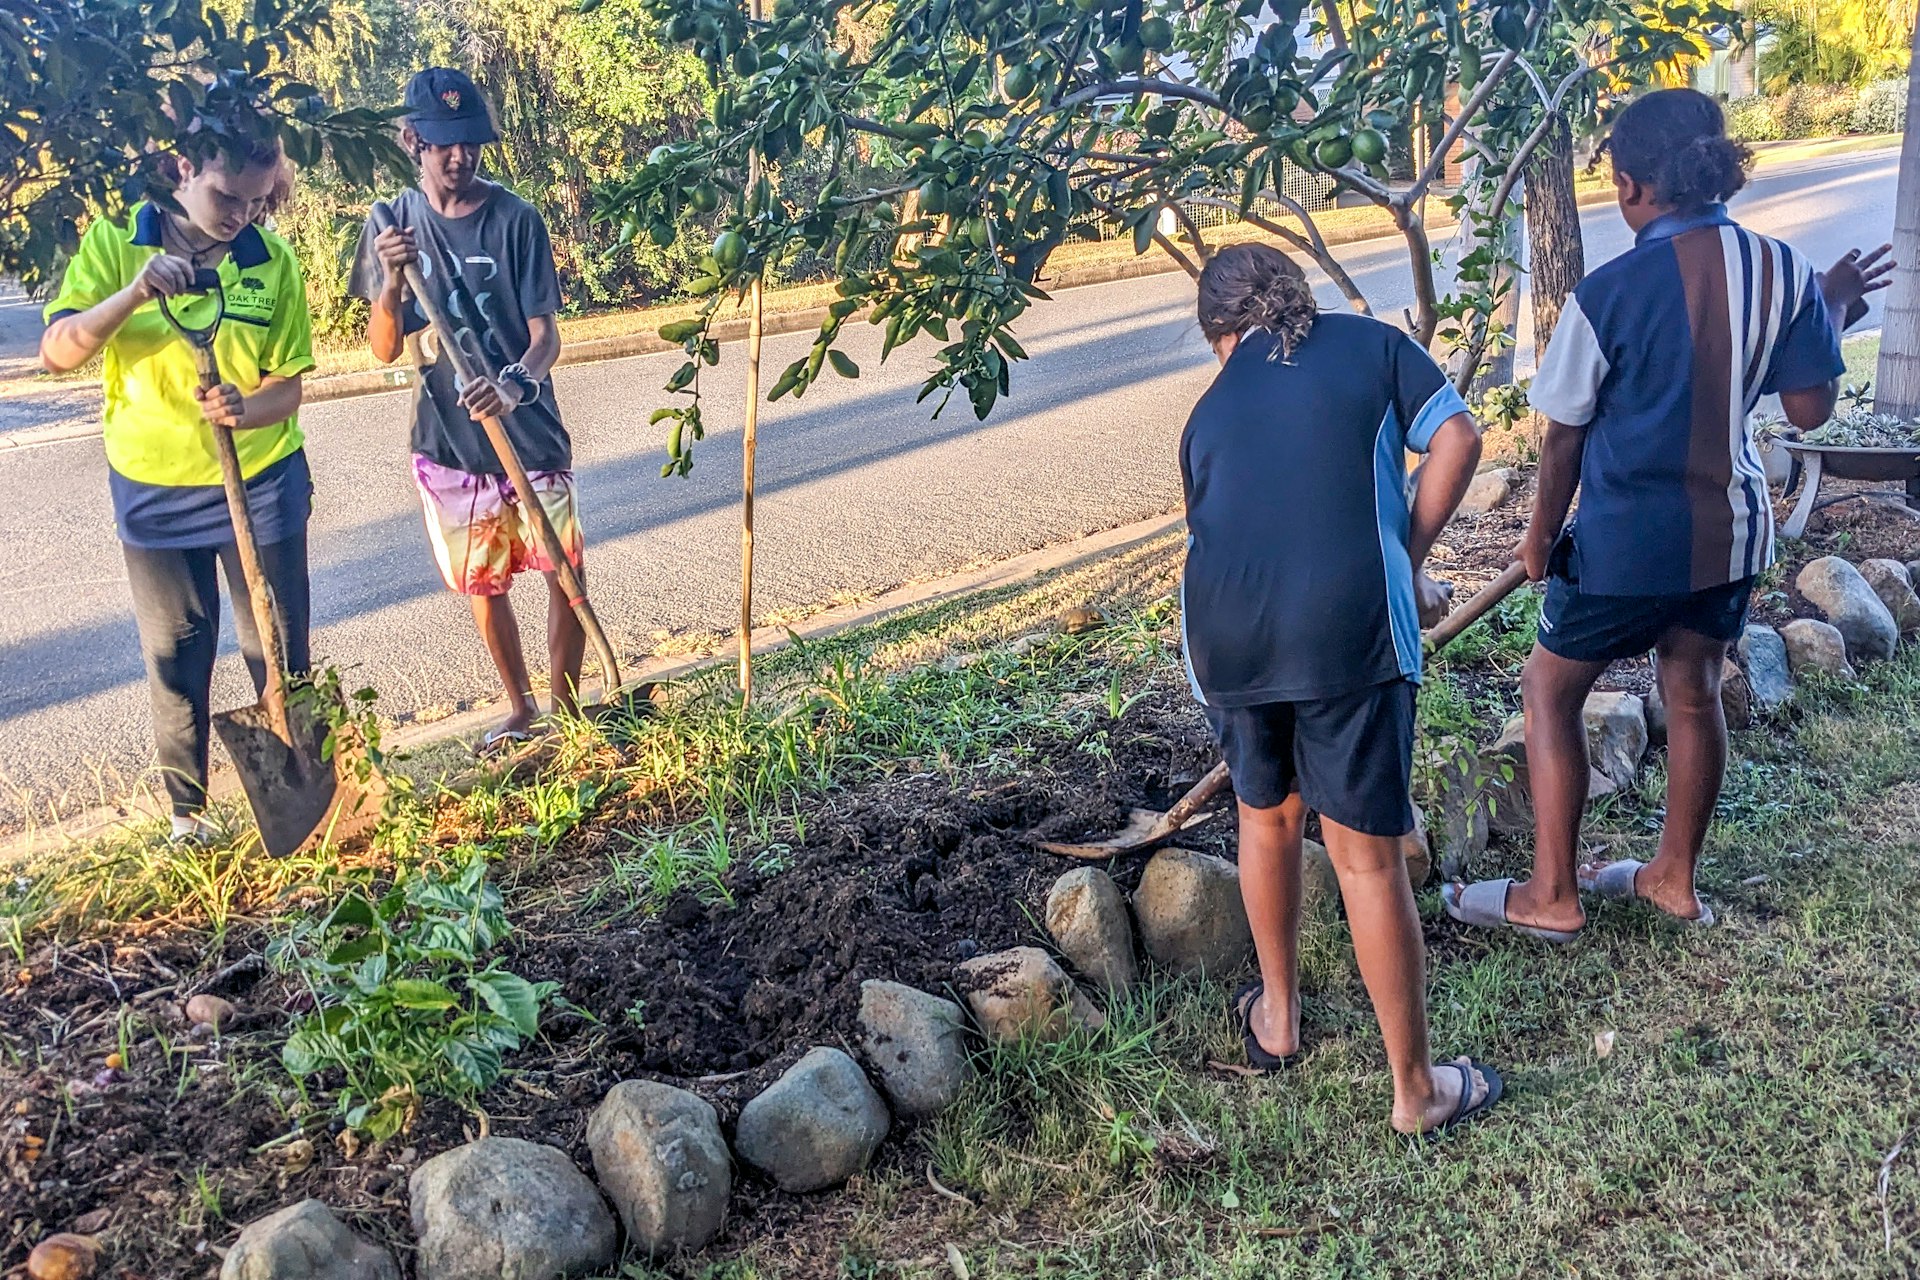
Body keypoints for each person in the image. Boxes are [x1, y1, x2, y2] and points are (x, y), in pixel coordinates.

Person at [1443, 88, 1892, 940]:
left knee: (1548, 690)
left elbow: (1563, 441)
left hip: (1626, 545)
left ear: (1628, 185)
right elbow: (1807, 410)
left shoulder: (1604, 295)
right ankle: (1673, 879)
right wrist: (1831, 305)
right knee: (1692, 692)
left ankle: (1552, 896)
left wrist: (1539, 537)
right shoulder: (1786, 271)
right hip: (1731, 536)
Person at [1181, 242, 1501, 1135]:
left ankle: (1277, 1019)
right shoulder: (1369, 345)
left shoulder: (1206, 413)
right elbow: (1459, 436)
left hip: (1224, 639)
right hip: (1345, 627)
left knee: (1267, 818)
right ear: (1298, 300)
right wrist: (1409, 556)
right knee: (1363, 854)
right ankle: (1416, 1090)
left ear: (1220, 335)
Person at [40, 140, 317, 843]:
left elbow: (287, 385)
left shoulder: (269, 260)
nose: (242, 214)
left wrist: (242, 409)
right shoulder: (114, 239)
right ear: (181, 170)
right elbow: (57, 351)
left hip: (259, 482)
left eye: (256, 200)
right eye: (228, 196)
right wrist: (134, 292)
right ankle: (188, 817)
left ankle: (306, 803)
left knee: (279, 647)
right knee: (178, 653)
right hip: (154, 487)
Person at [351, 67, 584, 752]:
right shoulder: (390, 223)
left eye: (472, 143)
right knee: (484, 579)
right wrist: (392, 280)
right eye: (445, 144)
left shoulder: (517, 219)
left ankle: (570, 709)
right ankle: (521, 708)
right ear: (411, 140)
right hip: (448, 439)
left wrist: (514, 384)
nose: (461, 157)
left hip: (529, 429)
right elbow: (384, 348)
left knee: (564, 567)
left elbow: (547, 338)